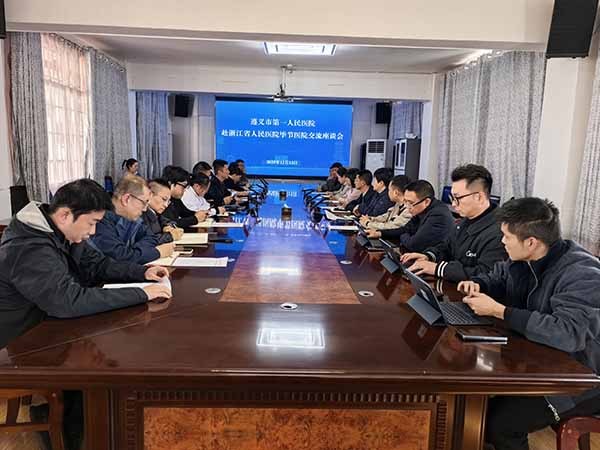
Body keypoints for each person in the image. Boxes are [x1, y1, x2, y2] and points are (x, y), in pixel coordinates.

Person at [457, 198, 600, 450]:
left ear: (531, 242)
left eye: (506, 236)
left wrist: (500, 311)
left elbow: (568, 333)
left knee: (498, 424)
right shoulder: (523, 259)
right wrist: (478, 284)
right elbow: (497, 277)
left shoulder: (582, 273)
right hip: (542, 362)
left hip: (582, 378)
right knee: (469, 409)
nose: (502, 241)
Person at [0, 178, 172, 349]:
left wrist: (141, 272)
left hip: (53, 328)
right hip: (22, 343)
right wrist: (141, 294)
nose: (93, 231)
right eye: (92, 223)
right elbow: (66, 300)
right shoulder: (28, 246)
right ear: (65, 215)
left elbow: (98, 265)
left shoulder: (64, 231)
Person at [401, 164, 507, 282]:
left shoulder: (501, 231)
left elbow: (486, 274)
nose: (453, 204)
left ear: (479, 197)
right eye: (452, 198)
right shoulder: (465, 220)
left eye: (458, 198)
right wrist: (429, 256)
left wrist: (438, 269)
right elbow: (446, 247)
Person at [90, 176, 175, 264]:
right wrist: (156, 252)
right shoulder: (100, 221)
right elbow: (120, 257)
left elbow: (150, 236)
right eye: (144, 203)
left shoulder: (130, 218)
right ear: (126, 199)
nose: (145, 209)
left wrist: (134, 252)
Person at [367, 180, 454, 252]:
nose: (407, 207)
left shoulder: (438, 215)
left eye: (411, 203)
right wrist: (380, 233)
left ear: (426, 202)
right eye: (406, 201)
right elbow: (405, 229)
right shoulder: (421, 209)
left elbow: (413, 244)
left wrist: (403, 235)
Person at [142, 178, 183, 244]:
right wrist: (170, 236)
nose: (166, 205)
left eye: (168, 201)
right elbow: (147, 240)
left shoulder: (156, 213)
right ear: (150, 195)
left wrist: (168, 227)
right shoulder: (141, 214)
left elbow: (167, 221)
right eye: (164, 199)